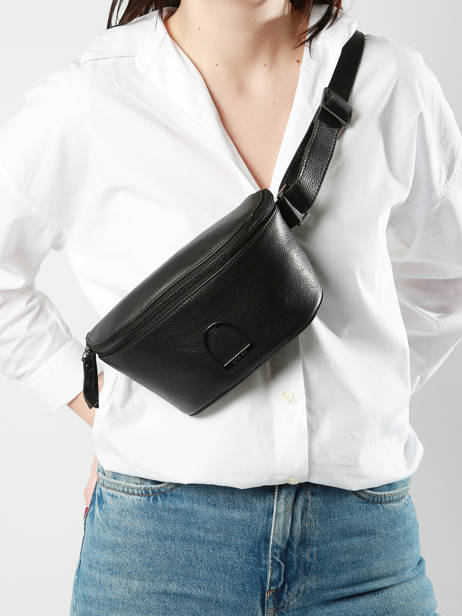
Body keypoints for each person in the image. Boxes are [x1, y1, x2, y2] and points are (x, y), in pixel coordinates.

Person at [0, 1, 460, 614]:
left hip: (363, 554)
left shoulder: (393, 82)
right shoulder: (87, 100)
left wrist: (361, 395)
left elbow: (445, 279)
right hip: (160, 550)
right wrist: (105, 409)